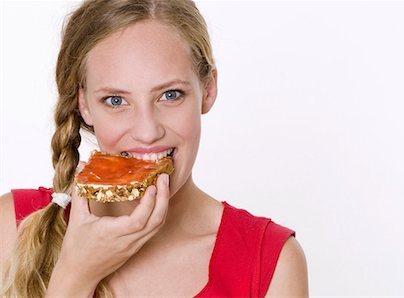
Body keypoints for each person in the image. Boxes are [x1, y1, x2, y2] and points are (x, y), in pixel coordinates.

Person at [0, 0, 308, 296]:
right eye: (116, 101)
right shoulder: (12, 228)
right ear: (85, 105)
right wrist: (75, 276)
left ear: (208, 90)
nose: (147, 133)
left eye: (170, 95)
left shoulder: (270, 263)